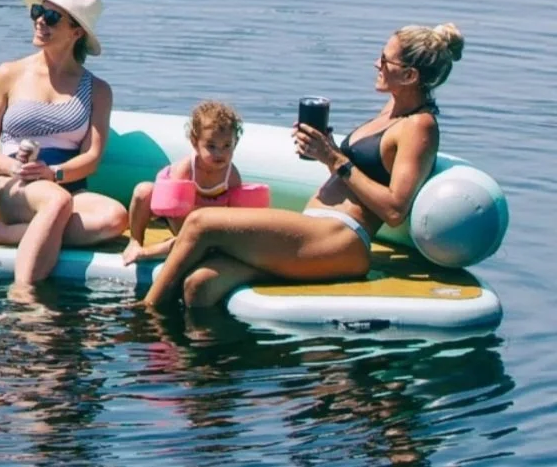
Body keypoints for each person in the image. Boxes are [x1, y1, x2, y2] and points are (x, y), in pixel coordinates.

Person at [143, 23, 465, 309]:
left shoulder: (419, 126)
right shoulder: (391, 110)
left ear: (410, 75)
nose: (375, 64)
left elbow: (395, 209)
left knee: (202, 222)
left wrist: (334, 158)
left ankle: (143, 316)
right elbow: (356, 173)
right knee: (201, 284)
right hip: (315, 230)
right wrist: (325, 150)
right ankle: (202, 369)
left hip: (342, 240)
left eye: (385, 60)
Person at [0, 0, 128, 286]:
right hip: (14, 183)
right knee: (56, 204)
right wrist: (15, 168)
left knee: (115, 217)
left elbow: (91, 157)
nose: (40, 20)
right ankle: (24, 294)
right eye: (38, 12)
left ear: (76, 32)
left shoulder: (98, 90)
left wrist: (54, 174)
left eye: (52, 17)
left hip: (65, 185)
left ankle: (4, 235)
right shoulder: (8, 73)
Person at [122, 100, 244, 266]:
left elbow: (237, 215)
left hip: (202, 218)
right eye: (211, 146)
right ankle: (135, 242)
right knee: (143, 191)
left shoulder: (231, 175)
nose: (219, 153)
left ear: (235, 142)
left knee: (195, 242)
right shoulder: (186, 169)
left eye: (227, 146)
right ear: (195, 142)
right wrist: (186, 233)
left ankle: (154, 251)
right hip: (172, 212)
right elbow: (173, 207)